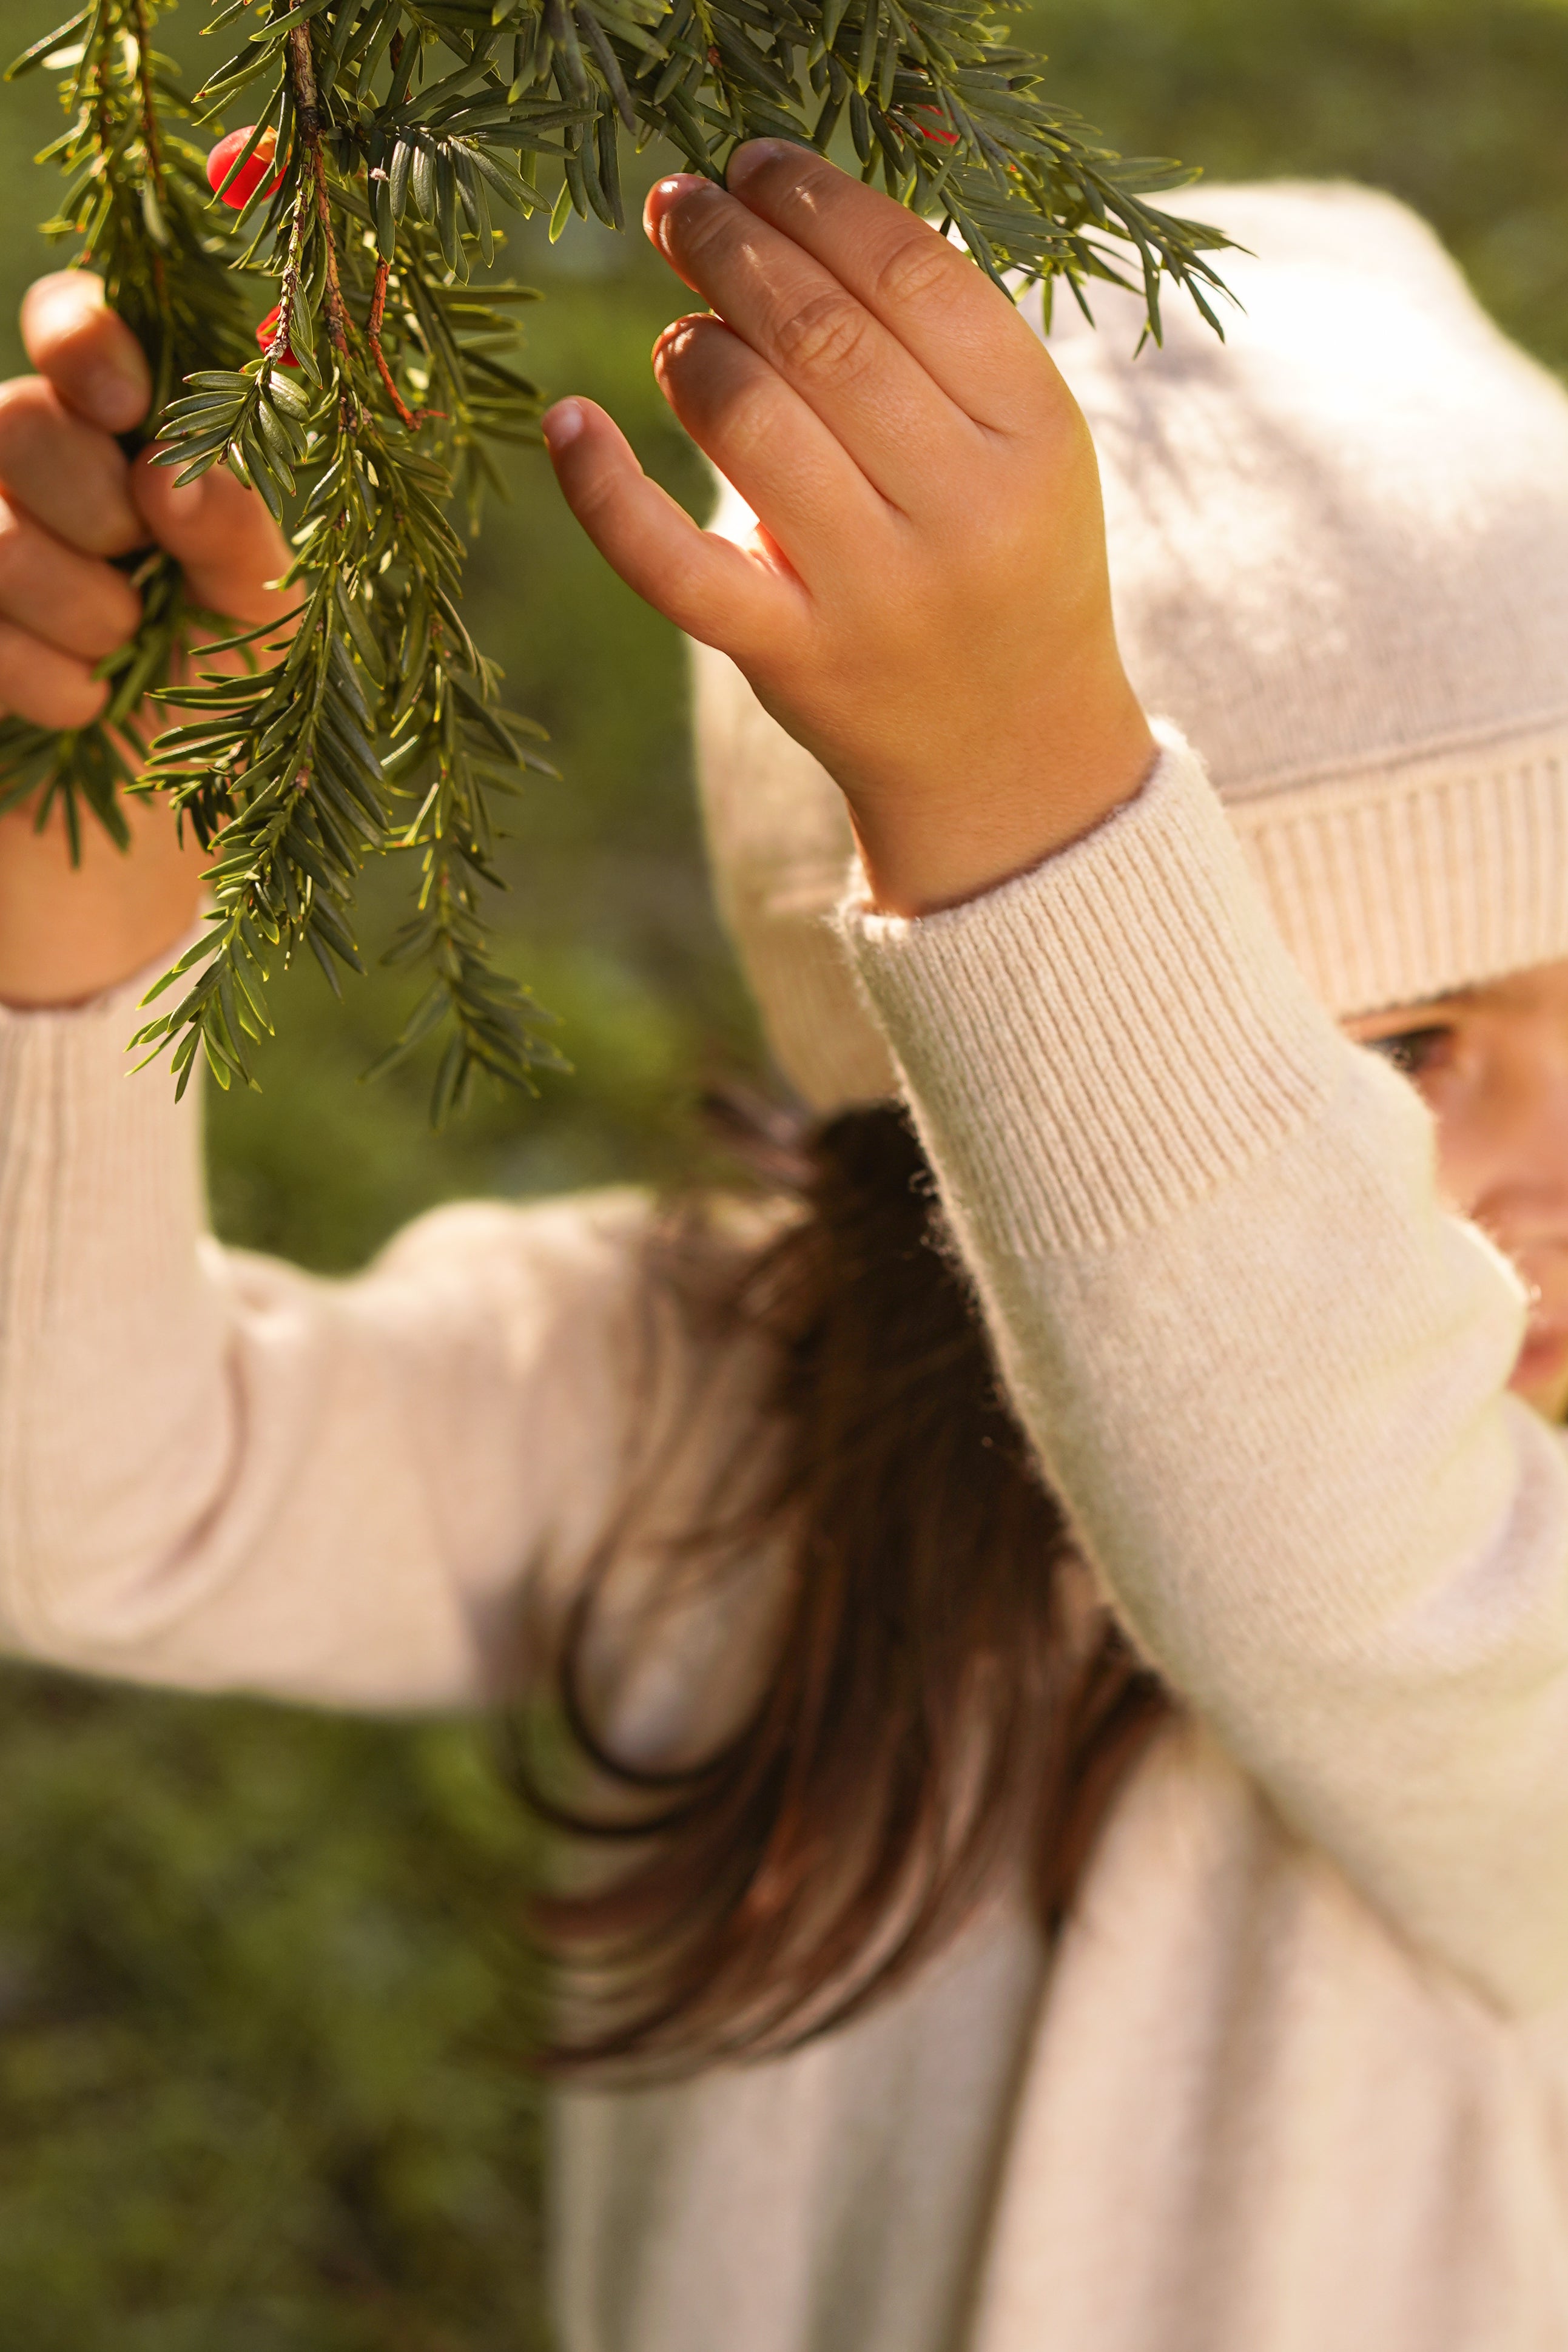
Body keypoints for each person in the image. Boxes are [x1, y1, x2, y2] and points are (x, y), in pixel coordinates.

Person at [2, 140, 1568, 2351]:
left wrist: (1022, 768)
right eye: (1403, 1043)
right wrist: (70, 894)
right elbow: (93, 1501)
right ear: (979, 1044)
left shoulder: (1519, 1595)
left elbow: (1344, 1562)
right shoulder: (688, 1388)